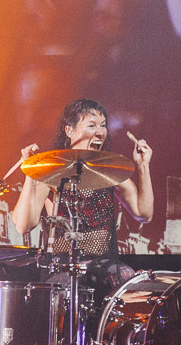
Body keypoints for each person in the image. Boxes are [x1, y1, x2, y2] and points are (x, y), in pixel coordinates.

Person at [12, 99, 152, 290]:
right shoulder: (52, 173)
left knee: (125, 275)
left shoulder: (109, 173)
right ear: (69, 131)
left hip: (104, 269)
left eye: (103, 125)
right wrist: (31, 172)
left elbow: (144, 214)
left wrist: (143, 166)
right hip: (62, 268)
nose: (100, 132)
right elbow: (23, 226)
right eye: (92, 125)